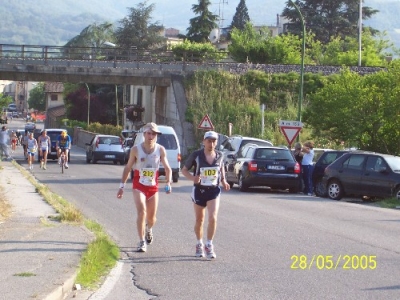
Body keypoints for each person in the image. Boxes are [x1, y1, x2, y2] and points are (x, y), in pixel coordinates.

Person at [117, 122, 172, 253]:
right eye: (149, 133)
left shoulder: (160, 150)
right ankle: (141, 241)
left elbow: (168, 168)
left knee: (152, 218)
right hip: (139, 185)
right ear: (144, 134)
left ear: (156, 136)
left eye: (154, 134)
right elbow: (128, 167)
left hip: (153, 187)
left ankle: (149, 228)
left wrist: (168, 183)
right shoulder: (136, 150)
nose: (151, 136)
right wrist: (122, 186)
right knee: (142, 211)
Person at [181, 131, 230, 259]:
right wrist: (193, 178)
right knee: (199, 220)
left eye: (214, 141)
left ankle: (209, 244)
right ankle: (199, 243)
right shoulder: (196, 155)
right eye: (209, 141)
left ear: (216, 142)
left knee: (213, 217)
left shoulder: (220, 155)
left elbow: (221, 168)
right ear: (204, 142)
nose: (211, 144)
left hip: (213, 190)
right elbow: (184, 170)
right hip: (199, 190)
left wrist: (224, 180)